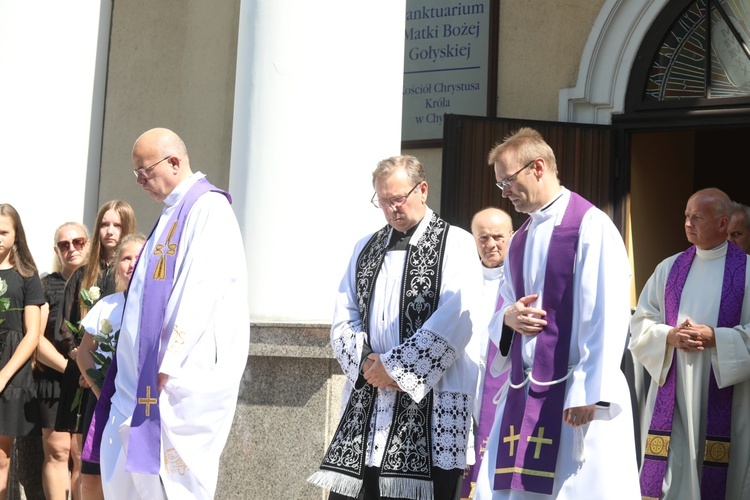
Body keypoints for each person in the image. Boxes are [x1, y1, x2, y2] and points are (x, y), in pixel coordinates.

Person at [473, 128, 640, 499]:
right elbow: (503, 306)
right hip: (525, 391)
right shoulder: (518, 240)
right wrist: (508, 320)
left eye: (508, 181)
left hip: (575, 394)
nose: (504, 193)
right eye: (500, 185)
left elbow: (609, 313)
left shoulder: (591, 227)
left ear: (537, 167)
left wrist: (589, 390)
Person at [85, 127, 249, 499]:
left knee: (171, 486)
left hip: (173, 380)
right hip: (140, 381)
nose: (141, 181)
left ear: (174, 161)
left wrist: (165, 363)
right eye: (136, 174)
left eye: (145, 171)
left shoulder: (208, 208)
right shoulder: (171, 213)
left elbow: (202, 291)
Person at [308, 155, 483, 500]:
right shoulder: (366, 248)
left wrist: (397, 369)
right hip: (369, 401)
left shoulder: (456, 244)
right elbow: (344, 315)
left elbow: (457, 317)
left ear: (423, 189)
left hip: (430, 401)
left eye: (397, 198)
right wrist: (368, 365)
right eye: (382, 201)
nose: (390, 209)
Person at [629, 188, 750, 499]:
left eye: (697, 217)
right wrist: (668, 336)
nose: (688, 223)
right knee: (673, 475)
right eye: (686, 216)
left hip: (727, 395)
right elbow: (641, 322)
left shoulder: (748, 272)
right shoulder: (668, 269)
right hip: (675, 391)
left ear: (723, 224)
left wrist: (718, 339)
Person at [55, 200, 136, 500]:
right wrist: (85, 368)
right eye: (104, 224)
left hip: (131, 395)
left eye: (117, 224)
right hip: (91, 383)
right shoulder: (84, 275)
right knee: (85, 461)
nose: (110, 231)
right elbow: (67, 328)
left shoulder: (139, 286)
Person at [76, 233, 145, 500]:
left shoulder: (161, 307)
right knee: (93, 480)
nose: (132, 263)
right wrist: (98, 390)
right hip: (103, 401)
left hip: (142, 403)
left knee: (135, 479)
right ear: (117, 267)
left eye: (138, 257)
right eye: (126, 258)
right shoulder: (107, 305)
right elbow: (84, 354)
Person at [460, 208, 514, 500]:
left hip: (503, 380)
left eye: (498, 237)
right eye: (483, 237)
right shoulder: (462, 277)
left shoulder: (521, 278)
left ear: (512, 237)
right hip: (467, 377)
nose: (490, 244)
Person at [36, 222, 90, 500]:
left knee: (81, 453)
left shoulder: (99, 281)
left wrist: (88, 372)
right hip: (56, 378)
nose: (72, 248)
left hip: (90, 380)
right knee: (57, 450)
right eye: (64, 244)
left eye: (78, 242)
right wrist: (71, 367)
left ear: (89, 243)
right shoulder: (46, 285)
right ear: (57, 250)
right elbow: (36, 337)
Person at [0, 204, 45, 500]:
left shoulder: (27, 275)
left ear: (16, 236)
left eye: (3, 231)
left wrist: (3, 375)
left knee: (1, 457)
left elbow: (33, 334)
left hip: (10, 369)